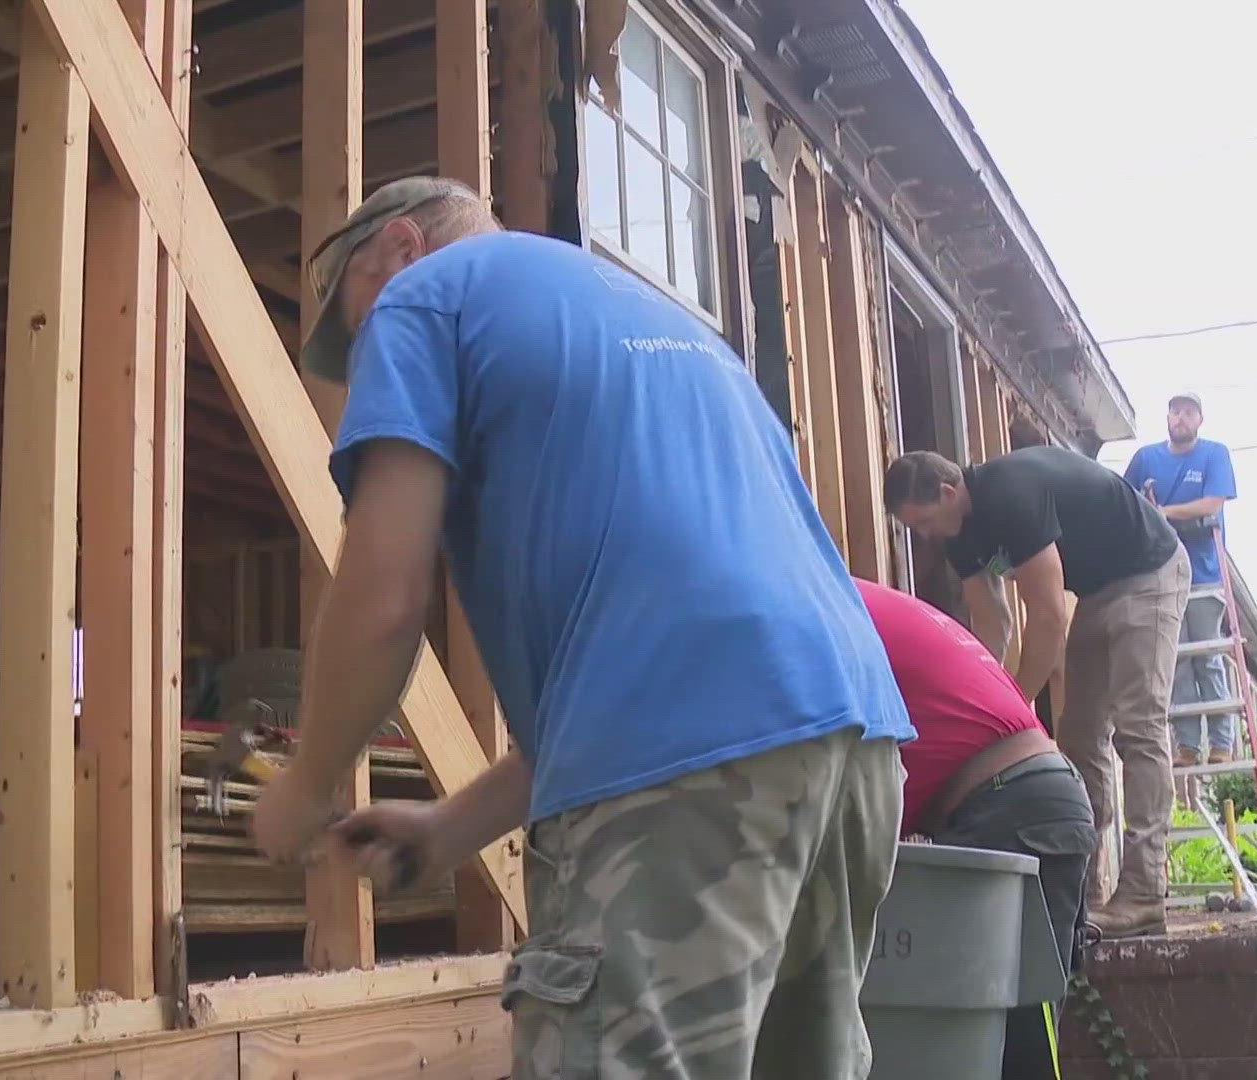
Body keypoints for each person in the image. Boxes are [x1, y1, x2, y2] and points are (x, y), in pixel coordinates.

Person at [248, 176, 914, 1079]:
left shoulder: (422, 297)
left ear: (400, 248)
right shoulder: (652, 322)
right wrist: (450, 827)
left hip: (693, 762)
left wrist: (308, 781)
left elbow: (385, 597)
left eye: (353, 318)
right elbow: (670, 679)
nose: (363, 350)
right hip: (853, 745)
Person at [883, 446, 1189, 939]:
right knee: (1081, 738)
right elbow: (993, 626)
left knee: (1138, 729)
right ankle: (1081, 890)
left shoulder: (1010, 495)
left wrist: (1015, 707)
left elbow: (1046, 618)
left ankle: (1144, 893)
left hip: (1148, 573)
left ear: (947, 491)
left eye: (923, 522)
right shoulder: (960, 535)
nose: (924, 536)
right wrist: (980, 708)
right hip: (1094, 593)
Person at [855, 577, 1095, 1080]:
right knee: (1001, 1020)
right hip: (1032, 800)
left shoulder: (825, 609)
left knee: (1015, 1022)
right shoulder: (868, 605)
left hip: (1016, 808)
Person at [1122, 392, 1240, 767]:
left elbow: (1213, 504)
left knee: (1207, 655)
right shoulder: (1147, 460)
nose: (1180, 418)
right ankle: (1187, 746)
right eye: (1175, 411)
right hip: (1160, 575)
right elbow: (1125, 501)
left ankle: (1222, 743)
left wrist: (1165, 512)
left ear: (1200, 420)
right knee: (1177, 663)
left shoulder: (1213, 455)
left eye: (1188, 412)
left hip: (1204, 573)